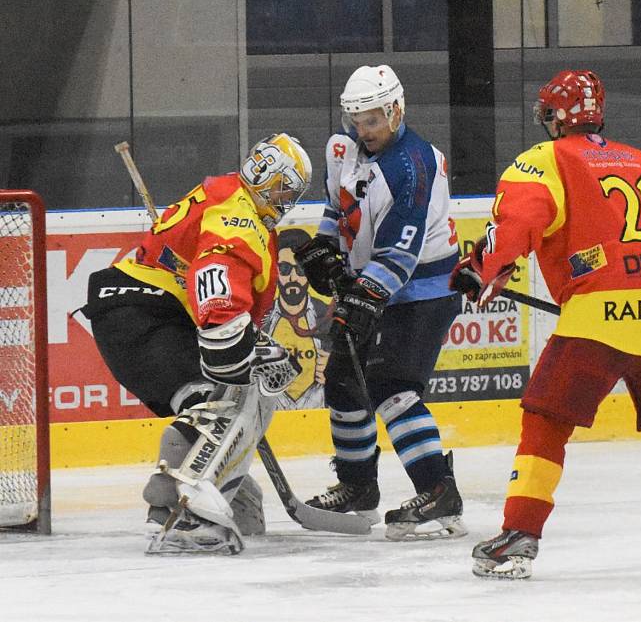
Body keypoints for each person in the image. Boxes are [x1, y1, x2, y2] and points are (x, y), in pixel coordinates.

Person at [451, 70, 641, 579]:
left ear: (556, 117)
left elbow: (517, 225)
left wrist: (483, 269)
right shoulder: (640, 160)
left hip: (601, 317)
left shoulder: (544, 159)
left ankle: (521, 532)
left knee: (546, 418)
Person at [81, 133, 312, 555]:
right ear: (265, 176)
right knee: (236, 398)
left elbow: (194, 263)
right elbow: (216, 273)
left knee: (210, 397)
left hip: (134, 311)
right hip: (147, 312)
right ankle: (185, 506)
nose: (285, 199)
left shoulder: (225, 192)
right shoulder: (239, 218)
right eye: (284, 187)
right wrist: (236, 339)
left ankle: (212, 494)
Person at [293, 64, 466, 541]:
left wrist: (361, 295)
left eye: (372, 120)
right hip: (375, 284)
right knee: (345, 385)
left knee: (392, 385)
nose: (362, 131)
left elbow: (400, 253)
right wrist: (327, 248)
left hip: (423, 293)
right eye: (356, 120)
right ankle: (357, 488)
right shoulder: (342, 150)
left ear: (395, 110)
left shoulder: (412, 165)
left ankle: (438, 492)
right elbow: (338, 207)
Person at [261, 227, 332, 410]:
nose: (293, 277)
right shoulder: (258, 316)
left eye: (300, 269)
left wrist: (335, 370)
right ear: (274, 269)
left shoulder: (329, 315)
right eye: (284, 269)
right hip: (270, 409)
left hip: (320, 412)